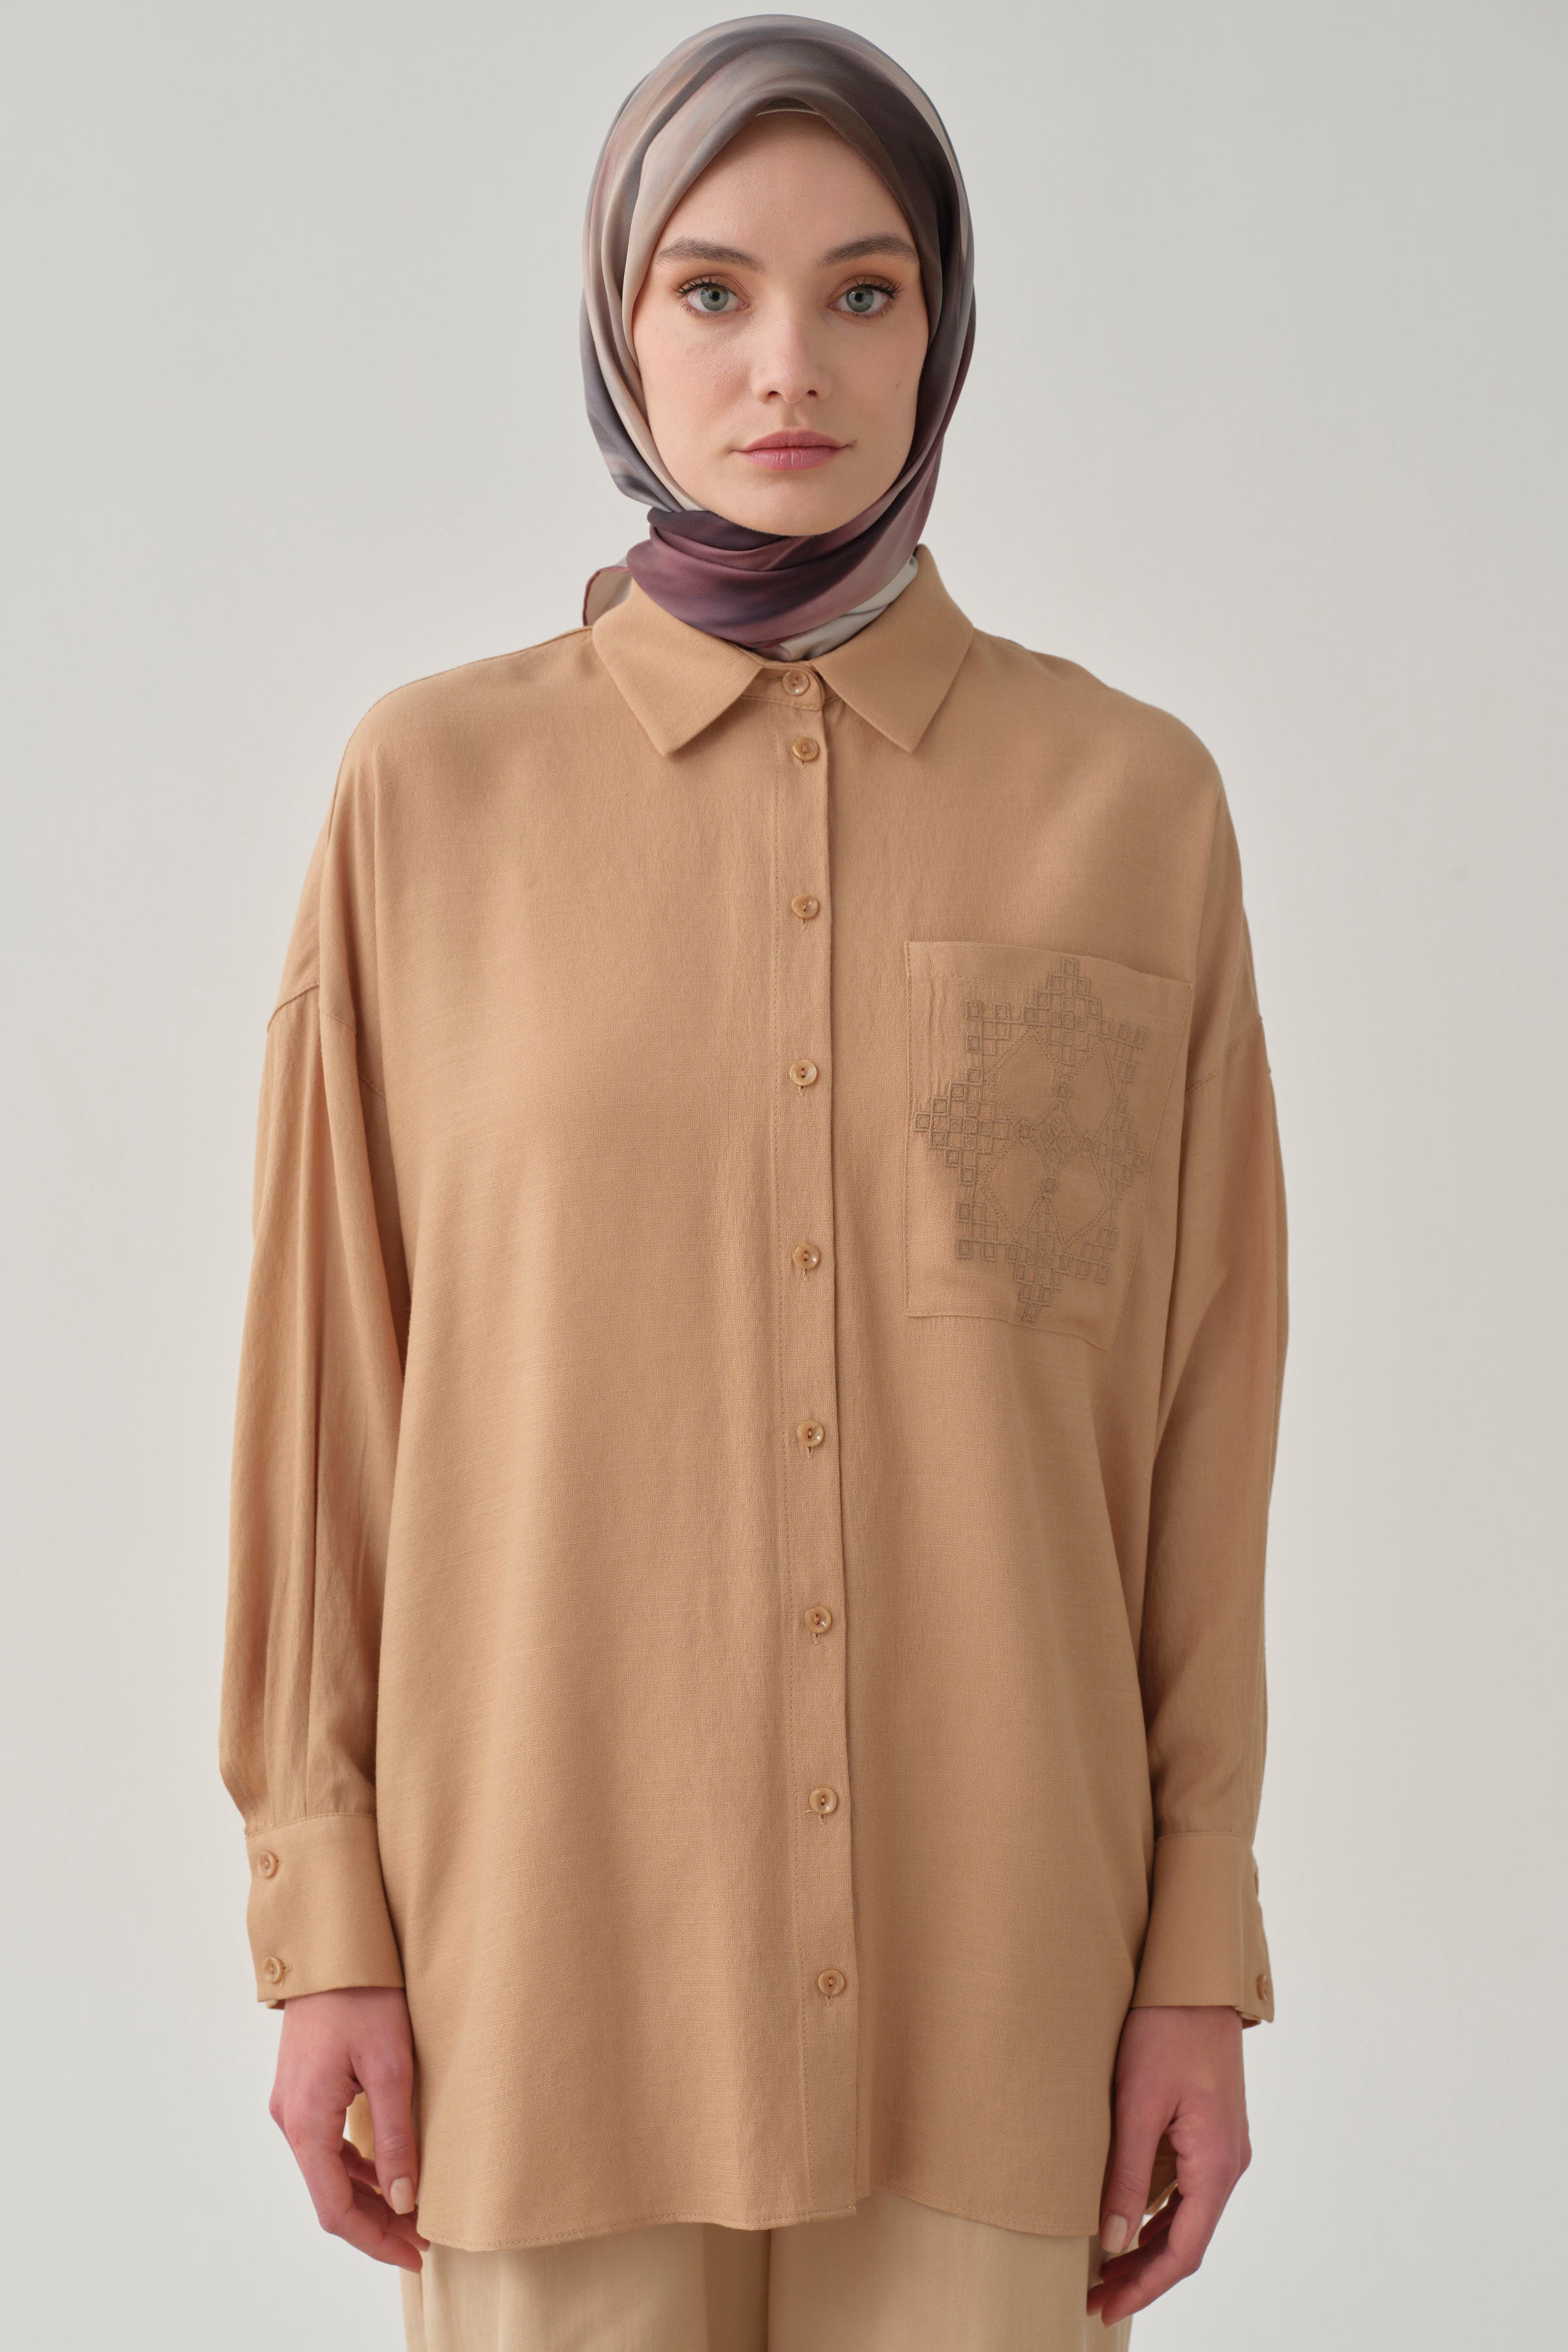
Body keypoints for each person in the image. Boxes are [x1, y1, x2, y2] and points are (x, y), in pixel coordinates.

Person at [219, 17, 1288, 2349]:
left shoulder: (1133, 809)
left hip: (1007, 2000)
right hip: (542, 1992)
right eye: (710, 289)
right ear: (623, 327)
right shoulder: (430, 795)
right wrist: (327, 1917)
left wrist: (1194, 1953)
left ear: (942, 327)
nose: (788, 361)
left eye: (863, 290)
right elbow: (329, 1416)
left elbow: (1204, 1425)